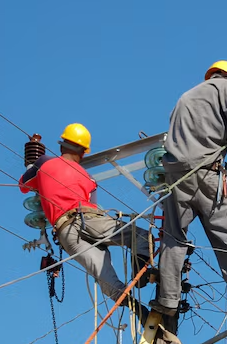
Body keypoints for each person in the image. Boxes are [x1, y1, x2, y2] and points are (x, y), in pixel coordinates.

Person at [149, 60, 227, 316]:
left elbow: (194, 133)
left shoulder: (186, 97)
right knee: (226, 238)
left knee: (173, 238)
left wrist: (226, 136)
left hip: (176, 177)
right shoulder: (225, 86)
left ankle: (168, 301)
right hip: (206, 175)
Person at [19, 123, 152, 319]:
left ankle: (133, 305)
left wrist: (34, 164)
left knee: (102, 272)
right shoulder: (88, 178)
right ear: (83, 153)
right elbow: (93, 208)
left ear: (62, 146)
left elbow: (23, 185)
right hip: (88, 219)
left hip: (65, 233)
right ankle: (140, 270)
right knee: (141, 237)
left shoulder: (44, 163)